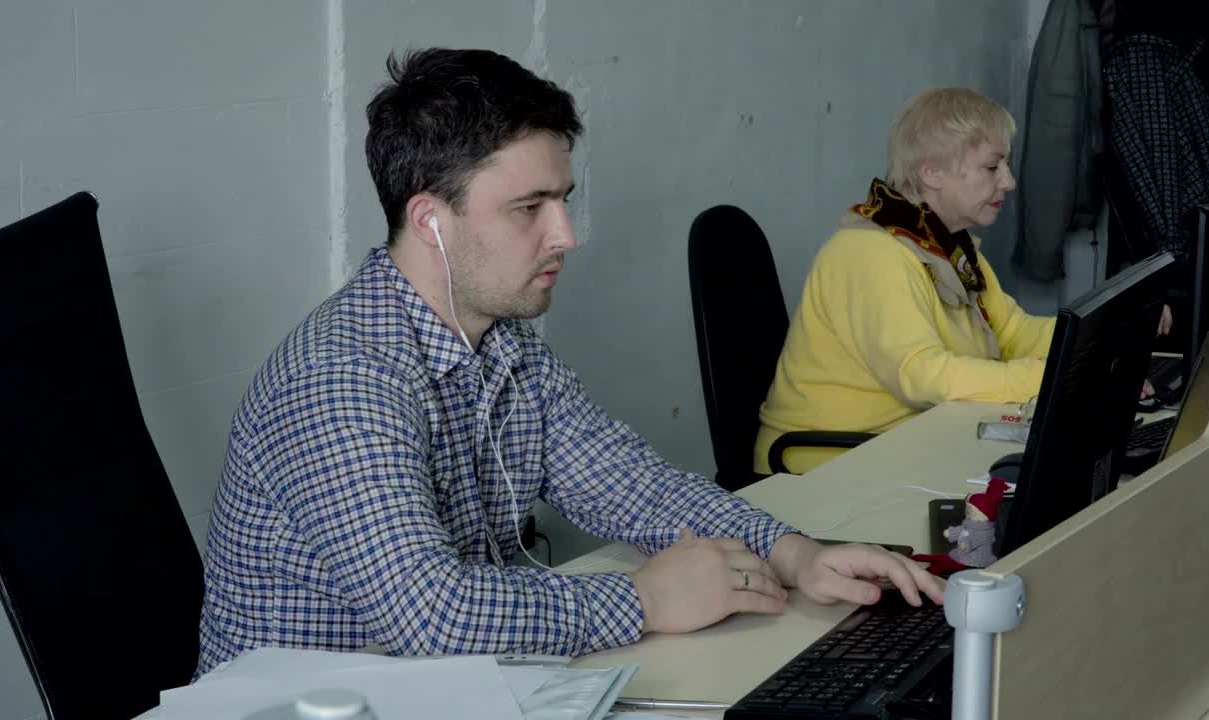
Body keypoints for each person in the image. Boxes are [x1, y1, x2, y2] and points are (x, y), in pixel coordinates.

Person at [195, 48, 944, 676]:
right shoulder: (343, 378)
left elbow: (634, 488)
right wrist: (644, 600)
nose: (565, 235)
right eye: (531, 207)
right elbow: (433, 616)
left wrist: (794, 553)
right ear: (431, 220)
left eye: (564, 200)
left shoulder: (501, 344)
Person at [754, 88, 1057, 475]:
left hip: (907, 448)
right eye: (992, 167)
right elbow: (923, 375)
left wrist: (1105, 343)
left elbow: (1012, 332)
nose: (1009, 182)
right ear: (932, 172)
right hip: (828, 468)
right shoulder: (870, 252)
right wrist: (1048, 378)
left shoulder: (950, 247)